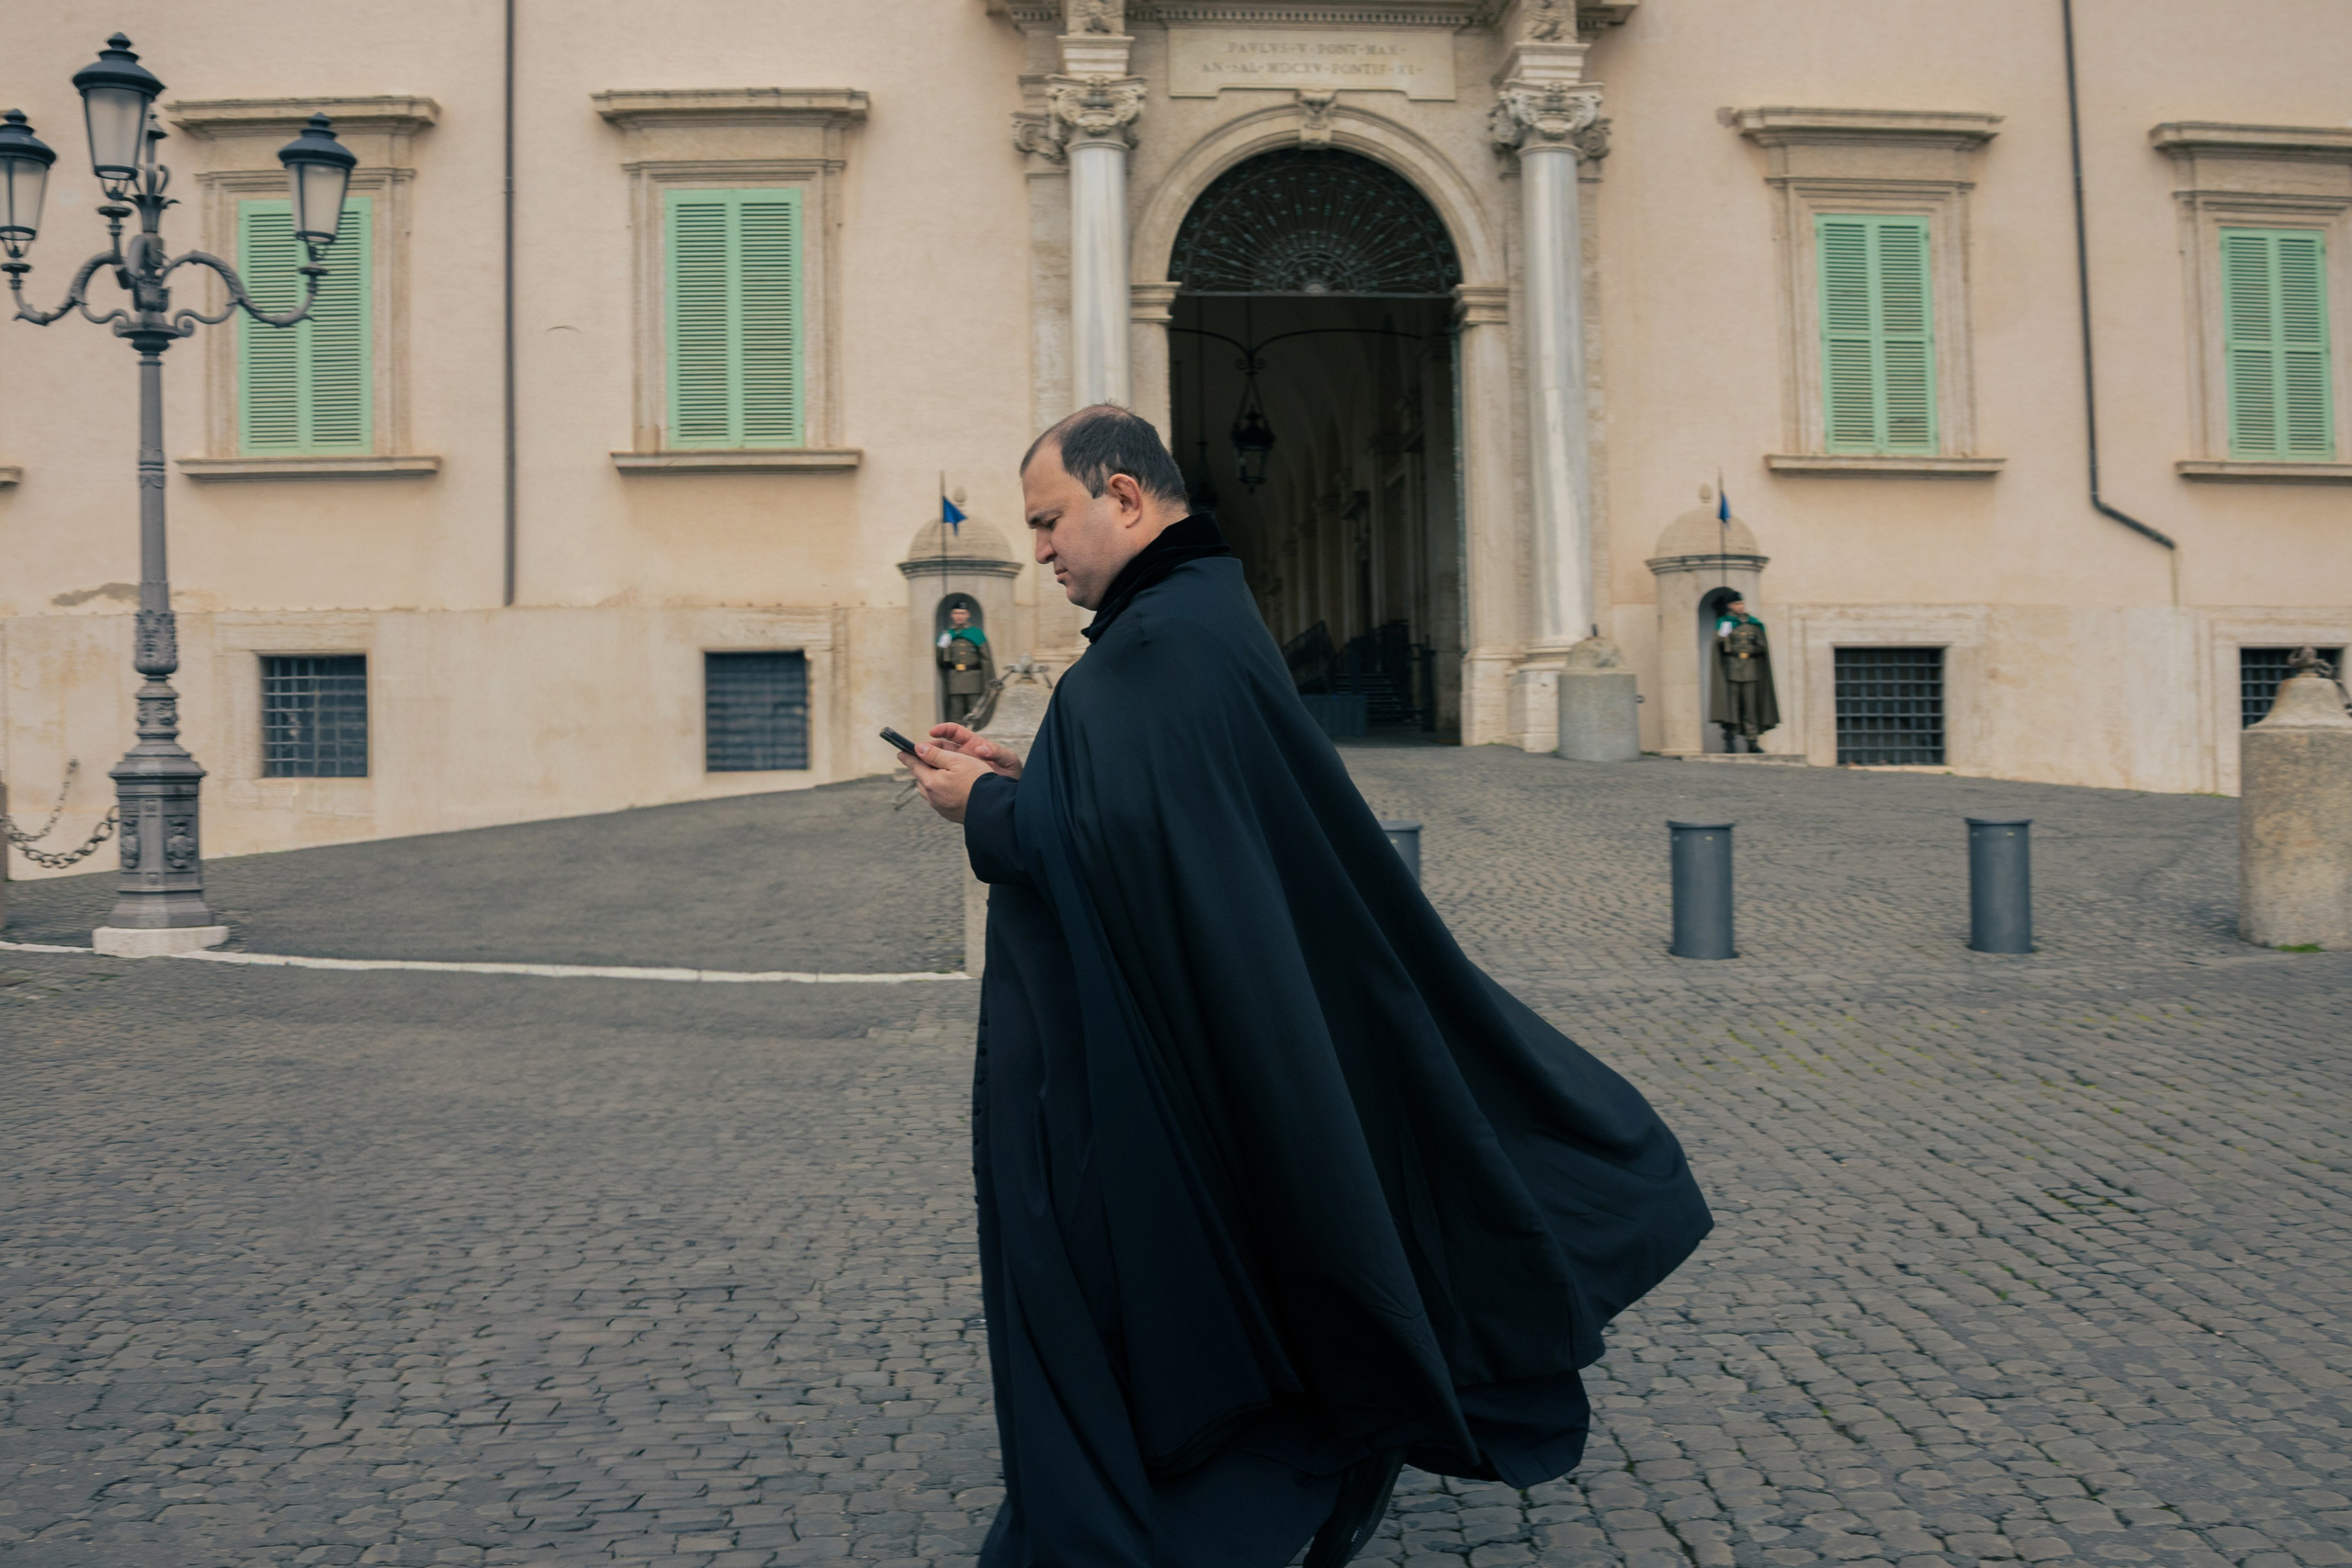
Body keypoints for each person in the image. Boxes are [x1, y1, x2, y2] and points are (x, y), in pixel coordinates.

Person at [900, 406, 1712, 1568]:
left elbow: (1127, 842)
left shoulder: (1157, 643)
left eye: (1047, 521)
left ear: (1121, 497)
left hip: (1177, 1061)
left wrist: (976, 807)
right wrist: (1023, 769)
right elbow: (1158, 808)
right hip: (1226, 1024)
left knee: (1166, 1273)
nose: (1036, 550)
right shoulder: (1192, 617)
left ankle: (1228, 1491)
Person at [1710, 593, 1781, 752]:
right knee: (1732, 707)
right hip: (1731, 670)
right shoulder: (1725, 623)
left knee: (1750, 708)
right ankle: (1730, 739)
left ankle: (1752, 740)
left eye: (1742, 603)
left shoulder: (1754, 625)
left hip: (1751, 670)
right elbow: (1718, 645)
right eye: (1737, 603)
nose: (1740, 606)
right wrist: (1723, 634)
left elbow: (1762, 647)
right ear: (1730, 606)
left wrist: (1749, 649)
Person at [938, 604, 993, 724]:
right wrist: (942, 646)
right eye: (957, 613)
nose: (959, 616)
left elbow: (986, 659)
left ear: (968, 615)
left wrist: (988, 680)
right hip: (955, 680)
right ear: (952, 615)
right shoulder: (947, 634)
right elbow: (940, 660)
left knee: (975, 713)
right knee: (955, 714)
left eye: (962, 613)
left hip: (974, 680)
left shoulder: (976, 633)